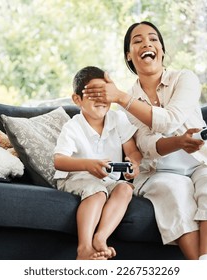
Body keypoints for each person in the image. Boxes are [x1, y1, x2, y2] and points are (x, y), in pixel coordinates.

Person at [82, 21, 207, 260]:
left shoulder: (185, 79)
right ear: (129, 56)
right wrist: (177, 142)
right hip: (159, 172)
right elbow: (146, 146)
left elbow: (171, 119)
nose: (147, 43)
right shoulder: (127, 104)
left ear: (162, 51)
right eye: (138, 41)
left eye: (153, 39)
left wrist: (122, 98)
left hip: (202, 163)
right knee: (174, 190)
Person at [53, 66, 142, 260]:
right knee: (97, 191)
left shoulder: (117, 118)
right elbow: (59, 161)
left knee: (125, 189)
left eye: (105, 94)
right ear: (77, 99)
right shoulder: (73, 126)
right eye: (94, 94)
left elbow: (133, 151)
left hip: (107, 180)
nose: (102, 100)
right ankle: (84, 248)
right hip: (75, 177)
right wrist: (87, 165)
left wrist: (133, 164)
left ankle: (100, 238)